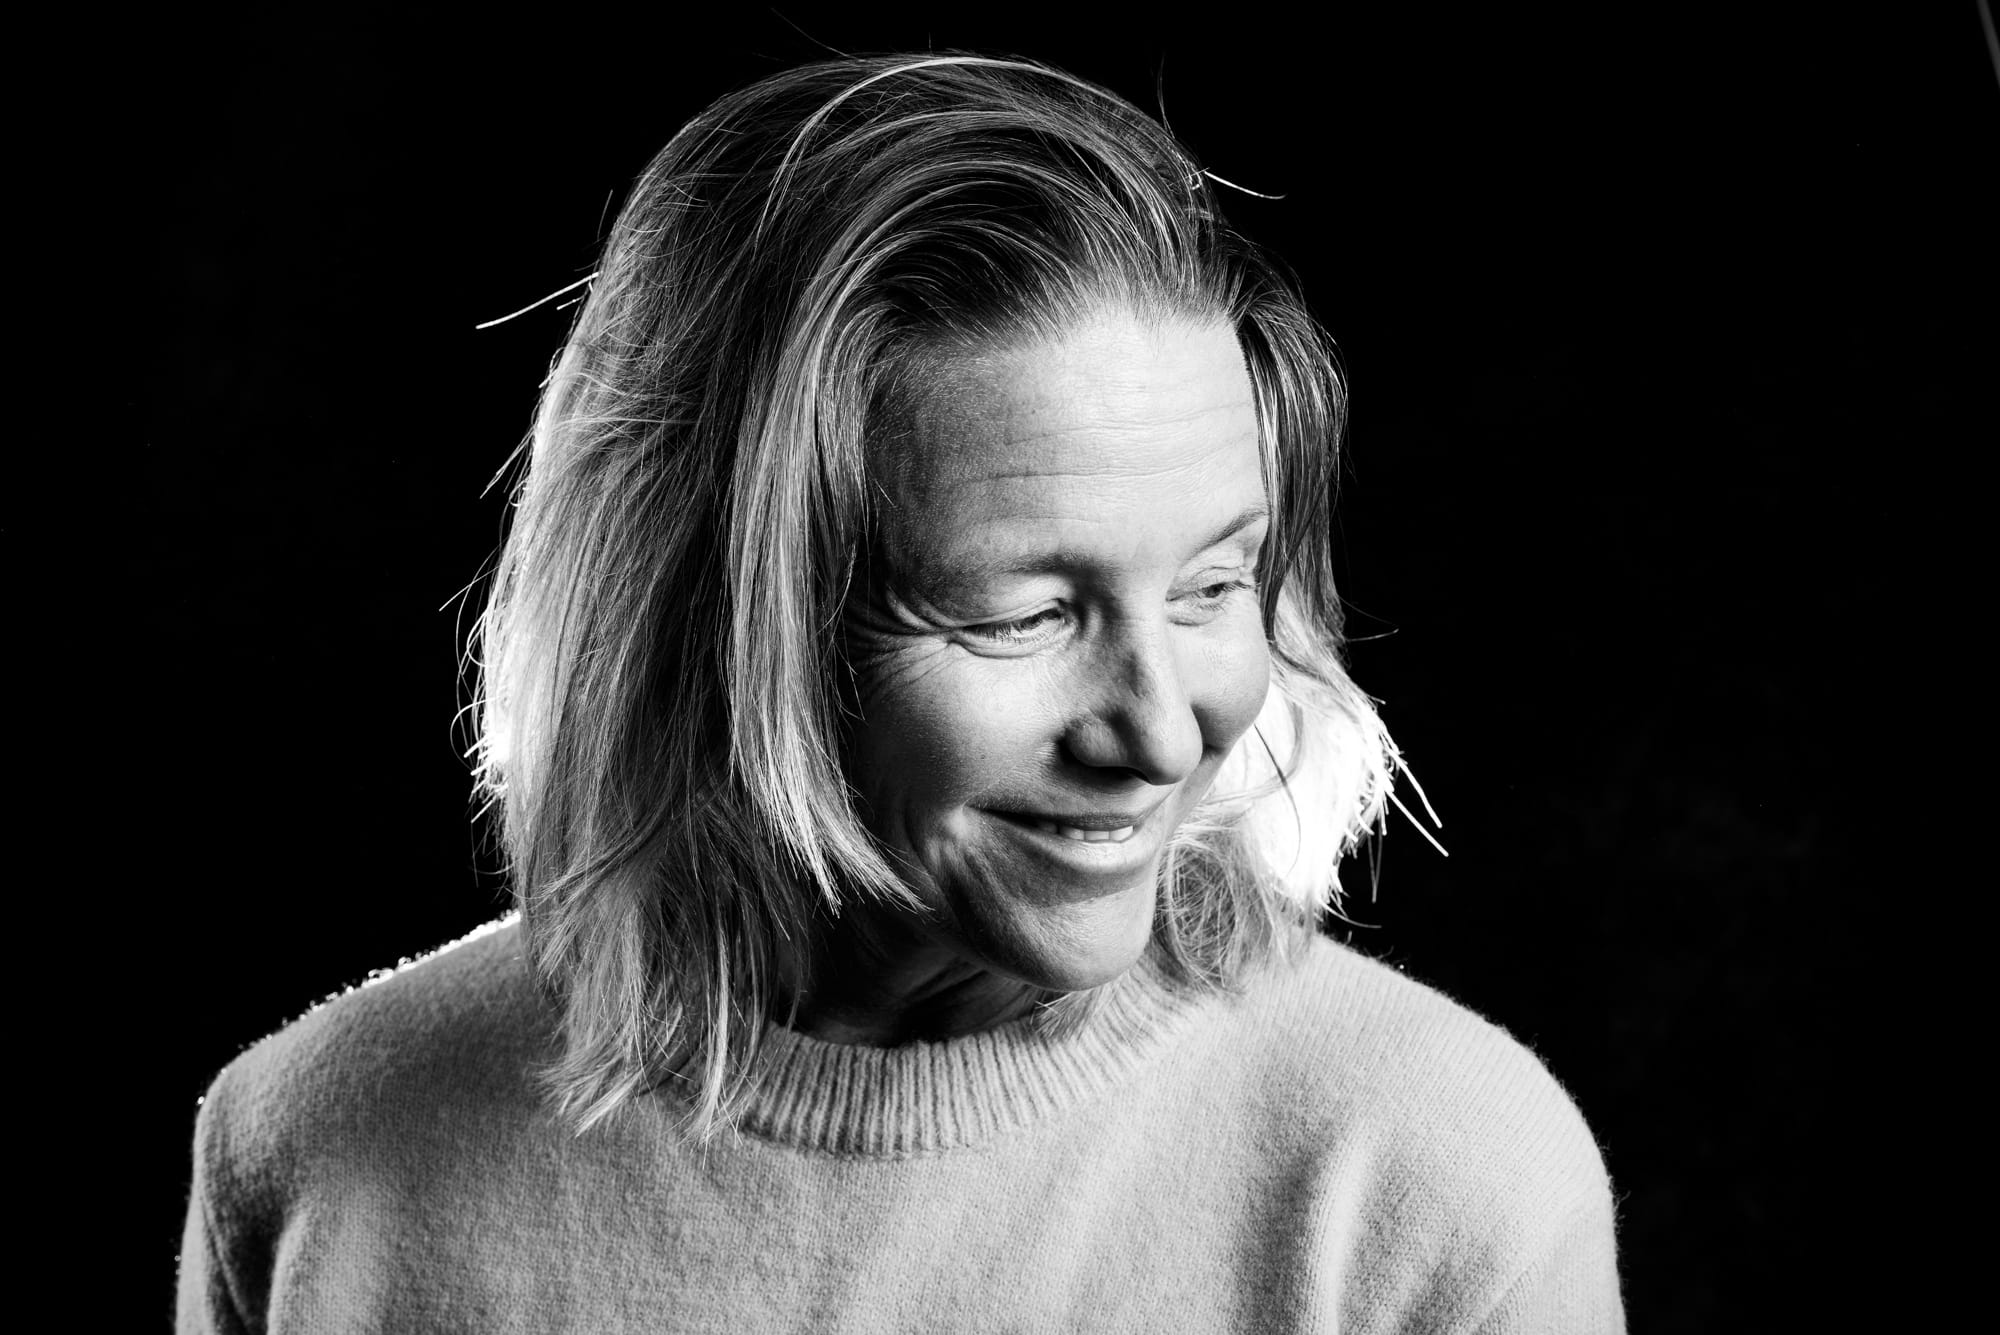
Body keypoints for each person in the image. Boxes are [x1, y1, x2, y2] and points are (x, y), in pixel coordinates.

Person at [177, 53, 1624, 1332]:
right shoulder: (317, 1153)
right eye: (1025, 614)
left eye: (1212, 585)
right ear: (704, 624)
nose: (1163, 728)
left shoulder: (1438, 1181)